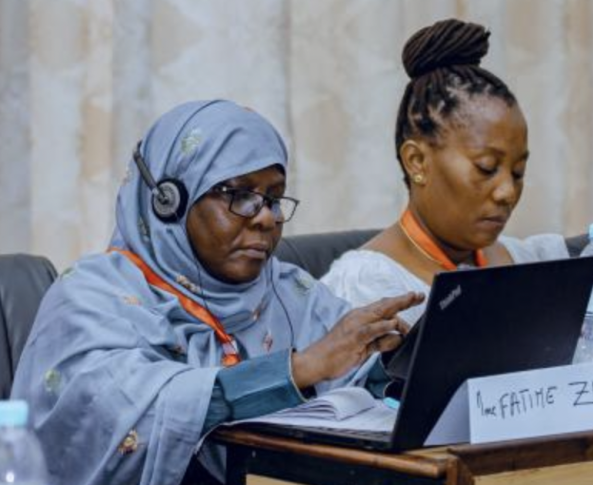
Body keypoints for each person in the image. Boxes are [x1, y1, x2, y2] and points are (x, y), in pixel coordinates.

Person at [10, 100, 423, 485]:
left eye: (274, 198)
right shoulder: (90, 295)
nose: (266, 218)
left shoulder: (286, 288)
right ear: (167, 202)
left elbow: (361, 380)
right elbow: (119, 416)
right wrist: (298, 370)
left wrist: (397, 359)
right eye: (240, 195)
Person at [322, 18, 569, 326]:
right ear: (417, 162)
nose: (507, 191)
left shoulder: (526, 262)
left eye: (518, 172)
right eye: (486, 168)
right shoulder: (363, 291)